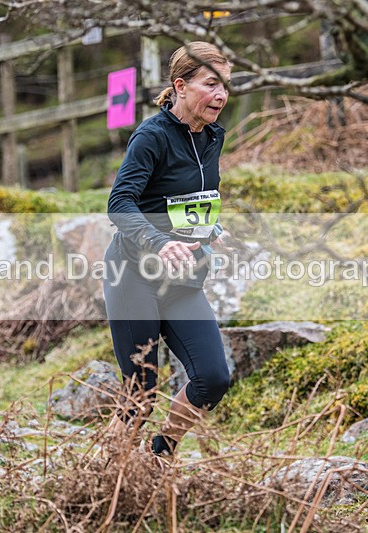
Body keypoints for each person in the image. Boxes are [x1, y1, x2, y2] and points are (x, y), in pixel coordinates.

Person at [103, 41, 232, 457]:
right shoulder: (151, 137)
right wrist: (159, 242)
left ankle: (160, 455)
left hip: (182, 281)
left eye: (225, 85)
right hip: (133, 276)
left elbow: (183, 200)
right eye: (211, 84)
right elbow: (120, 203)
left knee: (212, 378)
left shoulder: (213, 136)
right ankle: (108, 478)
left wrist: (208, 228)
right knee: (141, 395)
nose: (221, 95)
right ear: (180, 85)